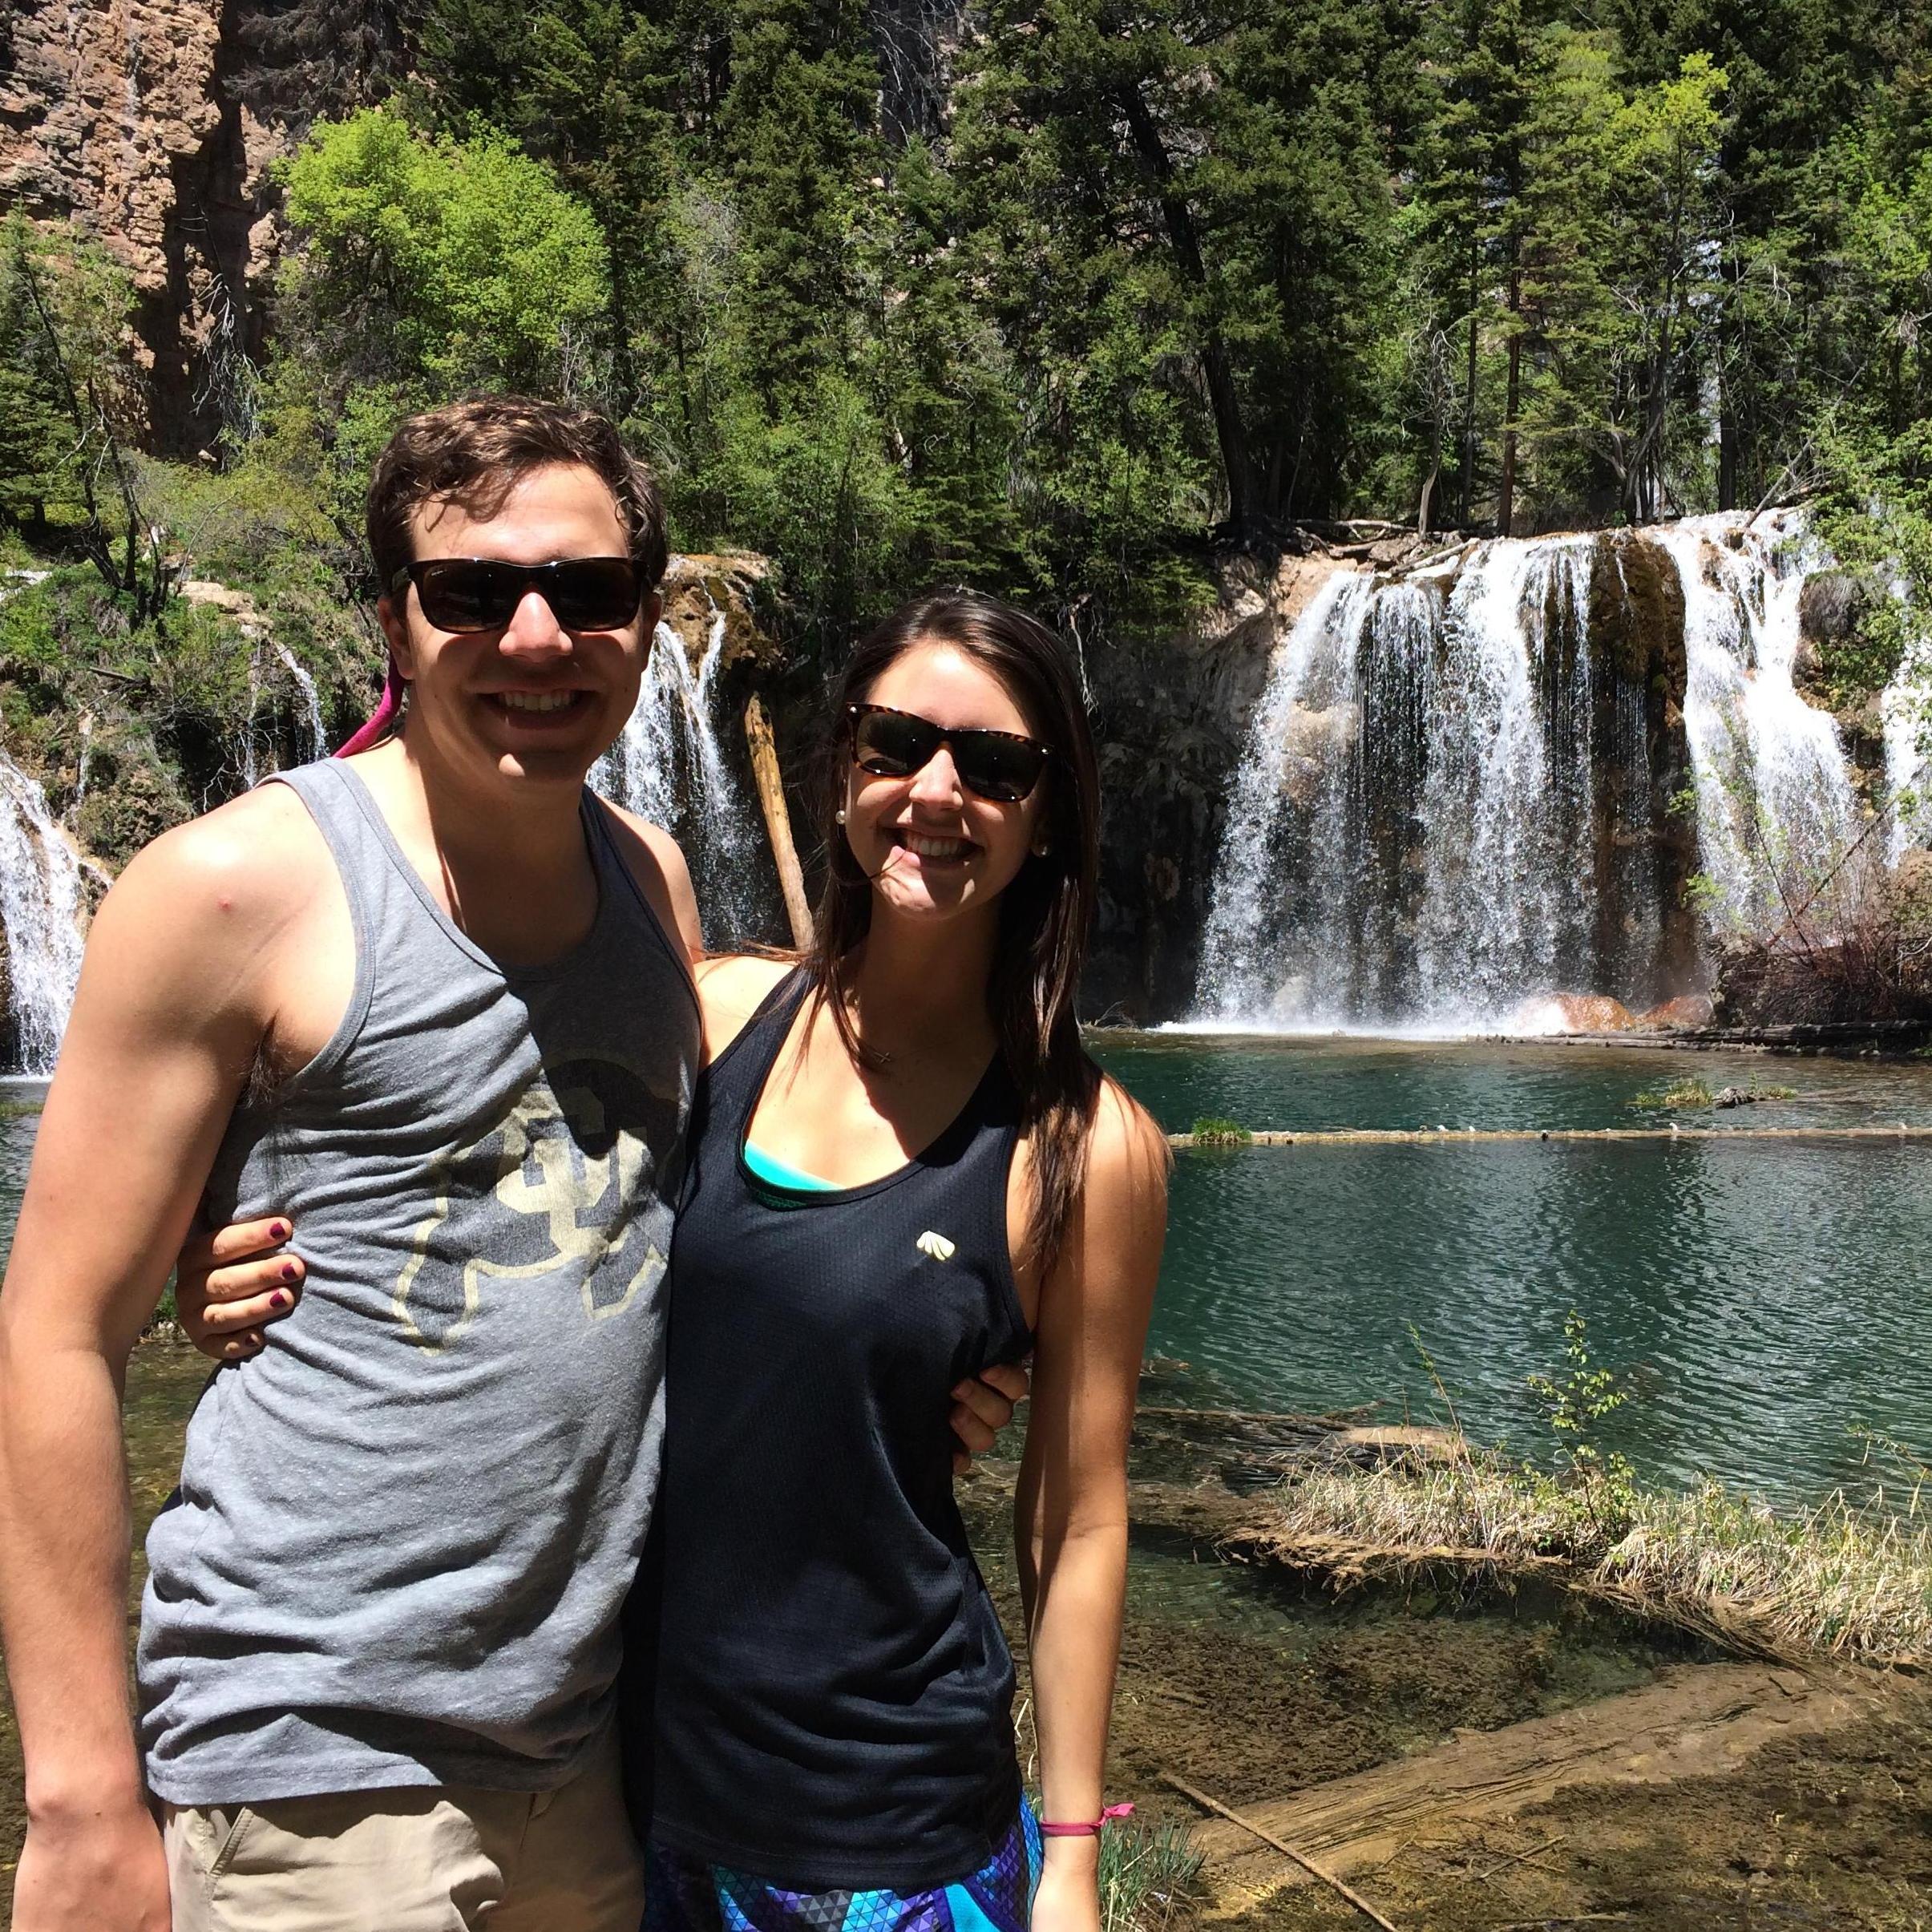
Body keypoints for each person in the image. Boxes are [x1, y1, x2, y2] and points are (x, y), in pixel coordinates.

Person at [0, 394, 1025, 1932]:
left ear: (642, 619)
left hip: (592, 1743)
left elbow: (686, 1231)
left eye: (589, 592)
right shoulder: (231, 891)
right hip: (316, 1744)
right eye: (473, 592)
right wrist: (81, 1796)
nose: (537, 637)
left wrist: (907, 1360)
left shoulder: (650, 876)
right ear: (396, 624)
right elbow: (55, 1327)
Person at [188, 590, 1170, 1932]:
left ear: (1046, 814)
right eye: (897, 746)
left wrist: (1068, 1860)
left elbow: (1077, 1519)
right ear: (841, 774)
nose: (938, 792)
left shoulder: (1084, 1150)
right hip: (622, 1782)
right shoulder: (715, 1015)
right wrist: (226, 1255)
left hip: (884, 1820)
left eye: (994, 768)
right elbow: (485, 1178)